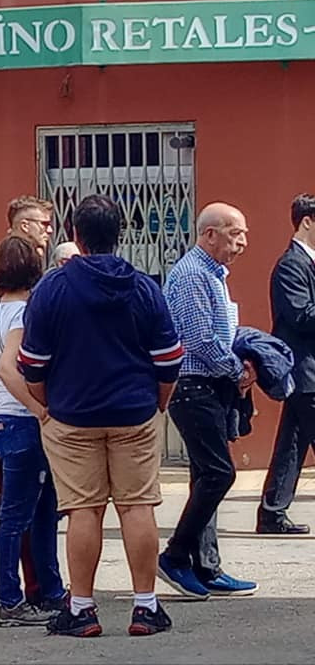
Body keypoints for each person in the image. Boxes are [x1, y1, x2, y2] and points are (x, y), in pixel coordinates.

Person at [19, 195, 182, 637]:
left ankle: (83, 609)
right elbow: (168, 359)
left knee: (83, 511)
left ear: (75, 234)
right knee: (137, 506)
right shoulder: (145, 286)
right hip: (134, 411)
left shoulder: (53, 288)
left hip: (72, 416)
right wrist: (159, 402)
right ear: (120, 234)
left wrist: (45, 405)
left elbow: (32, 362)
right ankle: (146, 606)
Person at [158, 202, 259, 598]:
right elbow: (200, 339)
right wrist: (236, 369)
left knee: (205, 475)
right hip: (193, 385)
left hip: (211, 386)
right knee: (219, 473)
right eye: (236, 234)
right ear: (209, 234)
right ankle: (176, 555)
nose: (243, 243)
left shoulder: (214, 275)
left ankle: (207, 565)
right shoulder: (191, 275)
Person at [0, 237, 66, 627]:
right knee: (17, 516)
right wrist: (39, 410)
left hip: (3, 418)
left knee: (44, 508)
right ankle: (11, 601)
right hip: (20, 419)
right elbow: (6, 368)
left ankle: (50, 589)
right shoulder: (21, 314)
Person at [258, 194, 315, 535]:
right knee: (294, 440)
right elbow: (299, 315)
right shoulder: (291, 265)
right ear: (306, 221)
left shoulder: (307, 263)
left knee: (292, 443)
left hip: (306, 372)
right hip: (305, 370)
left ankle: (272, 512)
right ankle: (271, 513)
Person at [0, 196, 54, 317]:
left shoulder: (34, 257)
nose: (49, 230)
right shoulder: (0, 259)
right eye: (44, 224)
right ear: (25, 226)